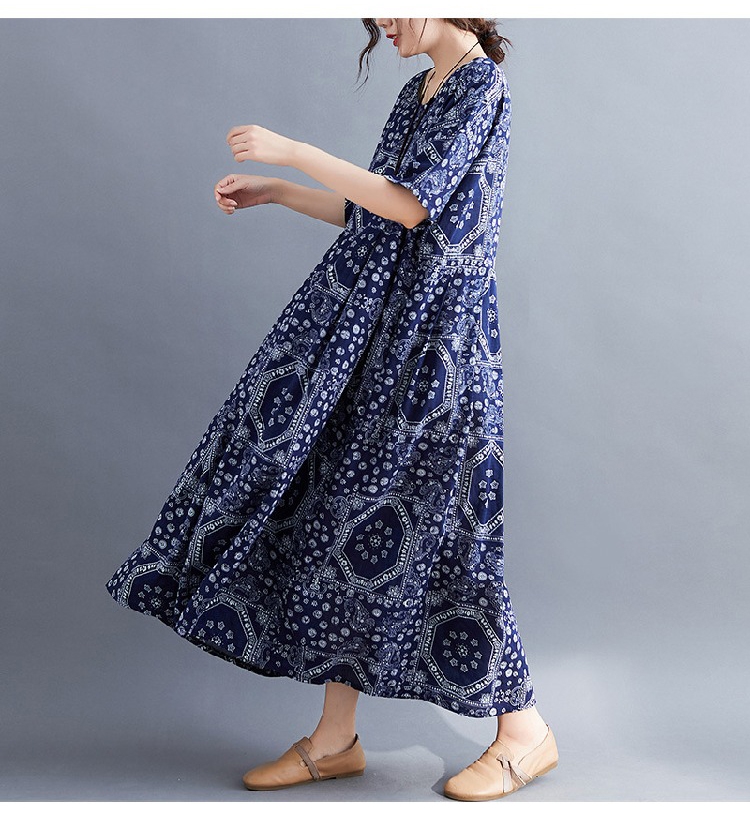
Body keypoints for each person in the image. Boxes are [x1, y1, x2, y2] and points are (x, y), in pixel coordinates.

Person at [106, 17, 558, 801]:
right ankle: (335, 739)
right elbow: (378, 214)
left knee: (451, 540)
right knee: (340, 522)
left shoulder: (481, 86)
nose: (379, 20)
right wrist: (279, 192)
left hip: (437, 347)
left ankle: (525, 731)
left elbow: (412, 208)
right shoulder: (420, 90)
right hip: (381, 334)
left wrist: (292, 152)